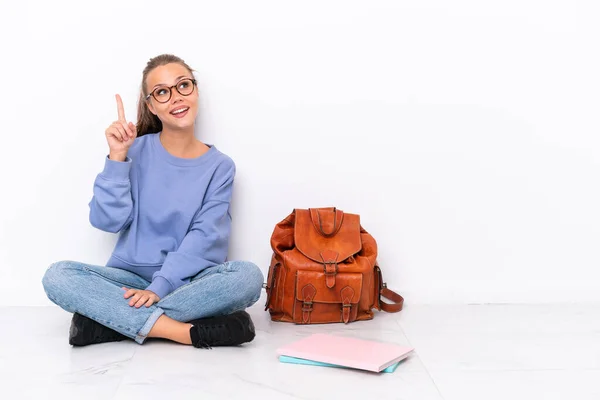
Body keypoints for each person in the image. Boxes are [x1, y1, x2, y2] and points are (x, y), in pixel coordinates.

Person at [42, 54, 263, 348]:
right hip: (128, 281)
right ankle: (180, 331)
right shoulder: (134, 150)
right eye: (162, 92)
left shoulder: (220, 166)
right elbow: (107, 221)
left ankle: (109, 324)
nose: (176, 98)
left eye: (183, 85)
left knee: (247, 277)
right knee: (58, 276)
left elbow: (206, 236)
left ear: (195, 90)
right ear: (151, 106)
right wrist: (118, 157)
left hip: (186, 282)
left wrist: (162, 286)